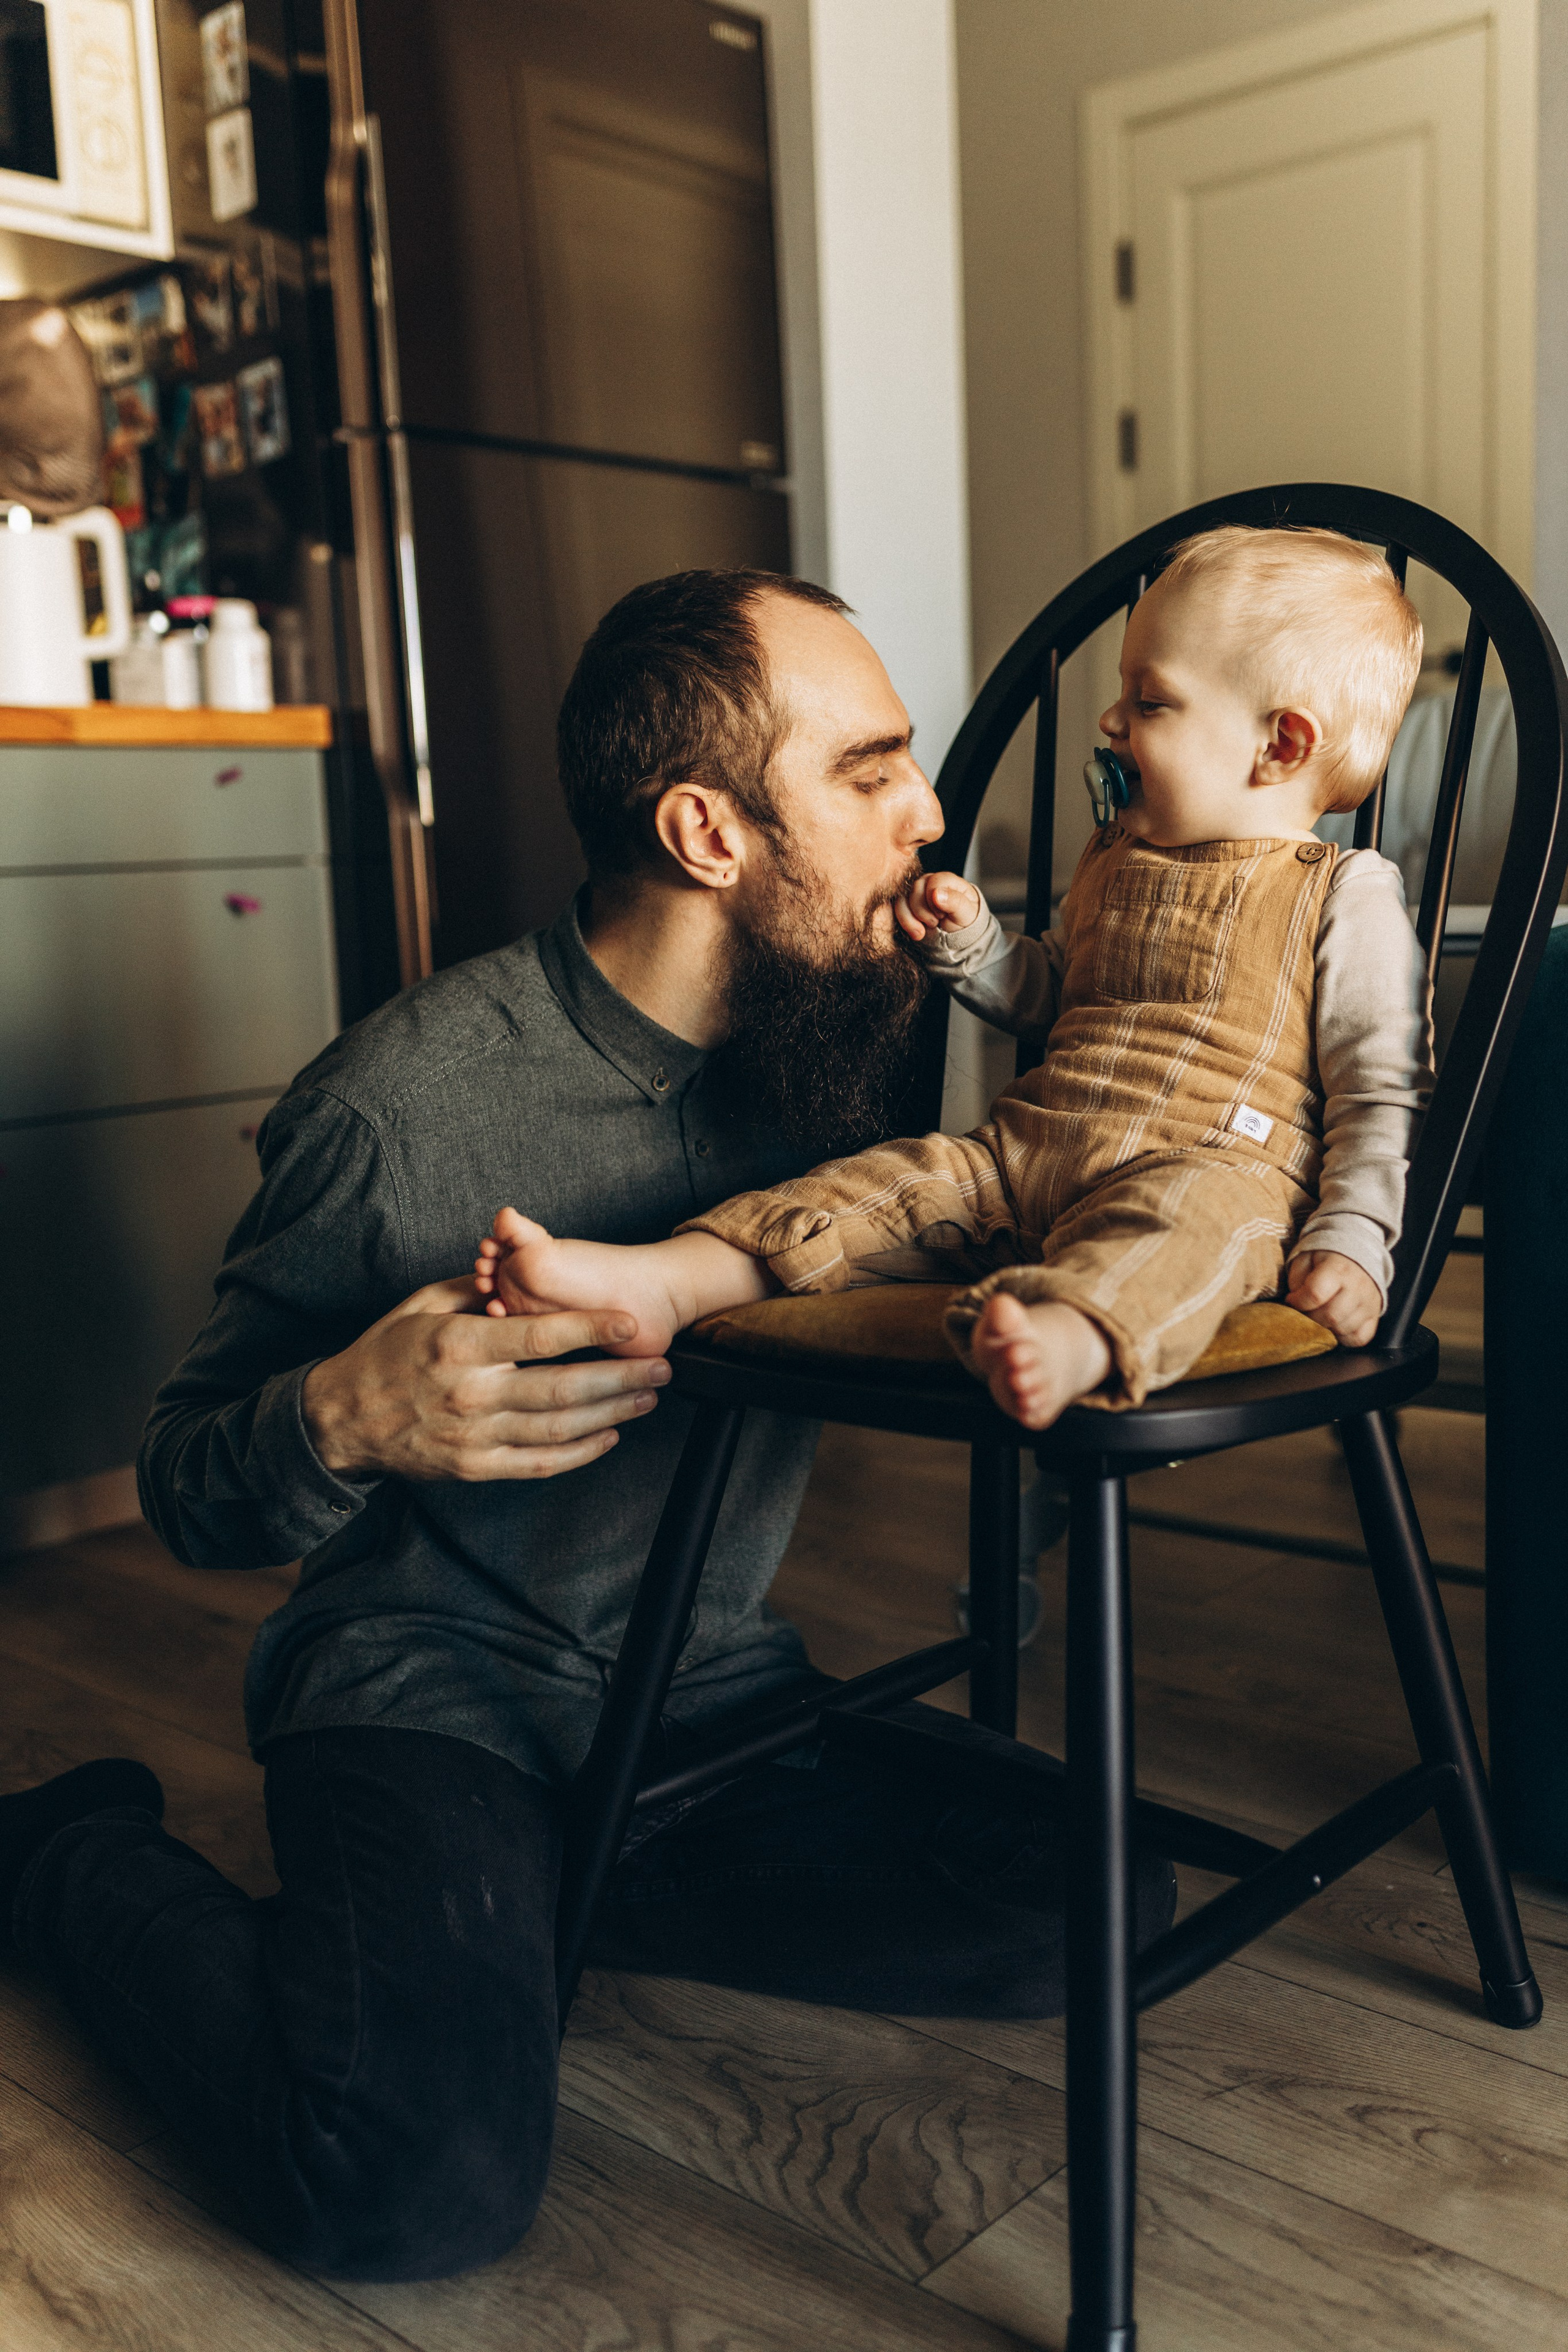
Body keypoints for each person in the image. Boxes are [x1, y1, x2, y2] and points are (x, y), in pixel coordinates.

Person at [0, 567, 1176, 2284]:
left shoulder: (845, 1038)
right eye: (870, 770)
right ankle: (70, 1853)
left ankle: (546, 1892)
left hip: (704, 1692)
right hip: (431, 1693)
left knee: (1106, 1895)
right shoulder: (397, 1108)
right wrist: (340, 1414)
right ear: (709, 831)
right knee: (410, 2191)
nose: (928, 819)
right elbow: (186, 1486)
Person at [475, 527, 1433, 1431]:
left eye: (1151, 701)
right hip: (1026, 1153)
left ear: (1283, 745)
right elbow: (1058, 994)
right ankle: (671, 1280)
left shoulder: (1344, 895)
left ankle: (1068, 1332)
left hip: (1214, 1165)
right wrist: (977, 949)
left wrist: (1351, 1235)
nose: (1110, 719)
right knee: (879, 1186)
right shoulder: (1114, 855)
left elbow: (1378, 1093)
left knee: (1177, 1237)